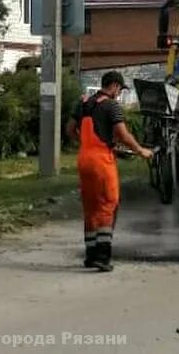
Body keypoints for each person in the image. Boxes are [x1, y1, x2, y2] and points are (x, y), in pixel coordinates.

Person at [66, 71, 153, 272]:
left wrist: (86, 144)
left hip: (84, 159)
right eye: (120, 90)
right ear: (114, 86)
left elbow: (70, 129)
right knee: (108, 204)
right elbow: (122, 134)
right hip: (101, 161)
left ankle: (90, 255)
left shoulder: (84, 103)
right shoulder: (111, 105)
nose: (119, 94)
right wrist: (140, 150)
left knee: (91, 207)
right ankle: (103, 257)